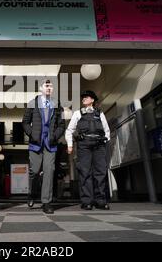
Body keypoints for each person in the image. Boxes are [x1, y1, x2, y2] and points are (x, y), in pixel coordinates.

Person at [22, 79, 65, 214]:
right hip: (36, 143)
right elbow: (25, 122)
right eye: (46, 86)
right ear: (40, 88)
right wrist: (32, 135)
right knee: (34, 171)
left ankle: (46, 202)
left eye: (51, 86)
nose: (49, 88)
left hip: (50, 144)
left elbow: (61, 125)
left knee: (49, 170)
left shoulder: (57, 105)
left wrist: (54, 136)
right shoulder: (32, 103)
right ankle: (31, 193)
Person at [65, 90, 111, 210]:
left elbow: (107, 130)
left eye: (86, 97)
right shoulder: (77, 113)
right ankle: (87, 201)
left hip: (99, 145)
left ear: (92, 100)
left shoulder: (100, 113)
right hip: (84, 145)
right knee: (85, 172)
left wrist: (105, 142)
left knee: (100, 172)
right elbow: (69, 130)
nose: (83, 99)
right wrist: (70, 145)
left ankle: (100, 201)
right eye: (83, 97)